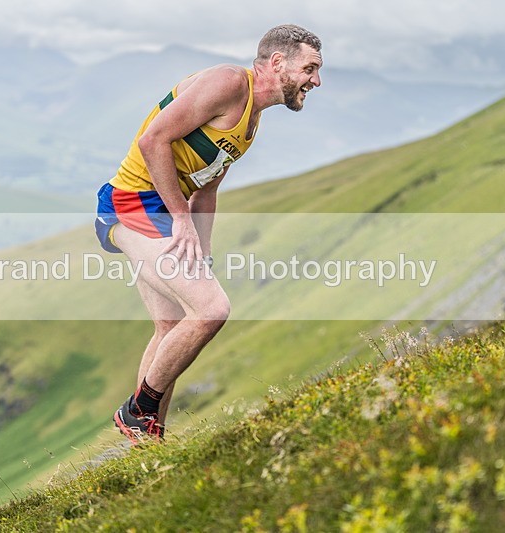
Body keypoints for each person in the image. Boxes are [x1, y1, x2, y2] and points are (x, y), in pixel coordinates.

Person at [95, 24, 323, 444]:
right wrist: (181, 220)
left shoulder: (251, 119)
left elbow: (207, 188)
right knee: (212, 309)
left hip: (166, 210)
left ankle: (147, 442)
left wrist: (203, 248)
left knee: (171, 326)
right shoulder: (229, 83)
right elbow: (152, 140)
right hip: (131, 205)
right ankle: (138, 410)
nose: (316, 81)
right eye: (310, 69)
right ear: (278, 63)